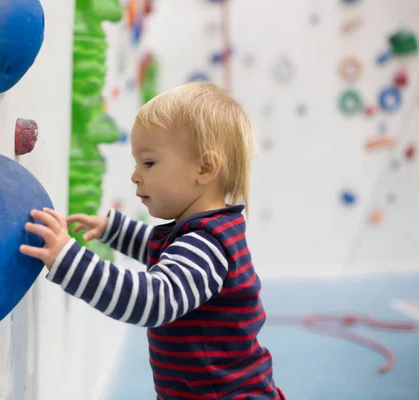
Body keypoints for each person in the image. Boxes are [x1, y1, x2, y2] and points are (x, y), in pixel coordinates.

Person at [19, 82, 286, 399]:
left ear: (204, 168)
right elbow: (162, 250)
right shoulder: (205, 231)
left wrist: (68, 259)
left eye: (148, 163)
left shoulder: (207, 244)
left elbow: (152, 300)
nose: (135, 175)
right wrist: (115, 230)